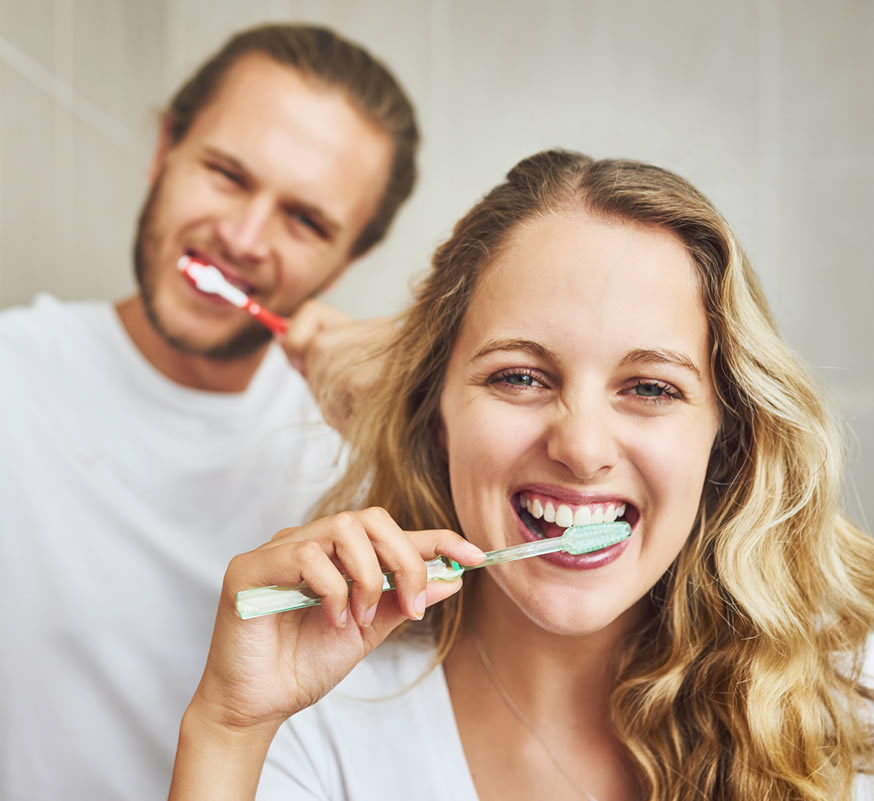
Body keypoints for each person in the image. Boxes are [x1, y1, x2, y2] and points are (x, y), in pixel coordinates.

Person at [168, 150, 874, 801]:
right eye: (519, 376)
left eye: (652, 387)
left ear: (725, 437)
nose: (583, 446)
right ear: (435, 411)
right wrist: (227, 729)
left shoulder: (850, 697)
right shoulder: (314, 722)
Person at [0, 23, 418, 801]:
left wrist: (405, 419)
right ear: (165, 150)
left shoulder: (360, 453)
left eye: (306, 220)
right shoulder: (12, 380)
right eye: (226, 173)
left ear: (351, 257)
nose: (242, 237)